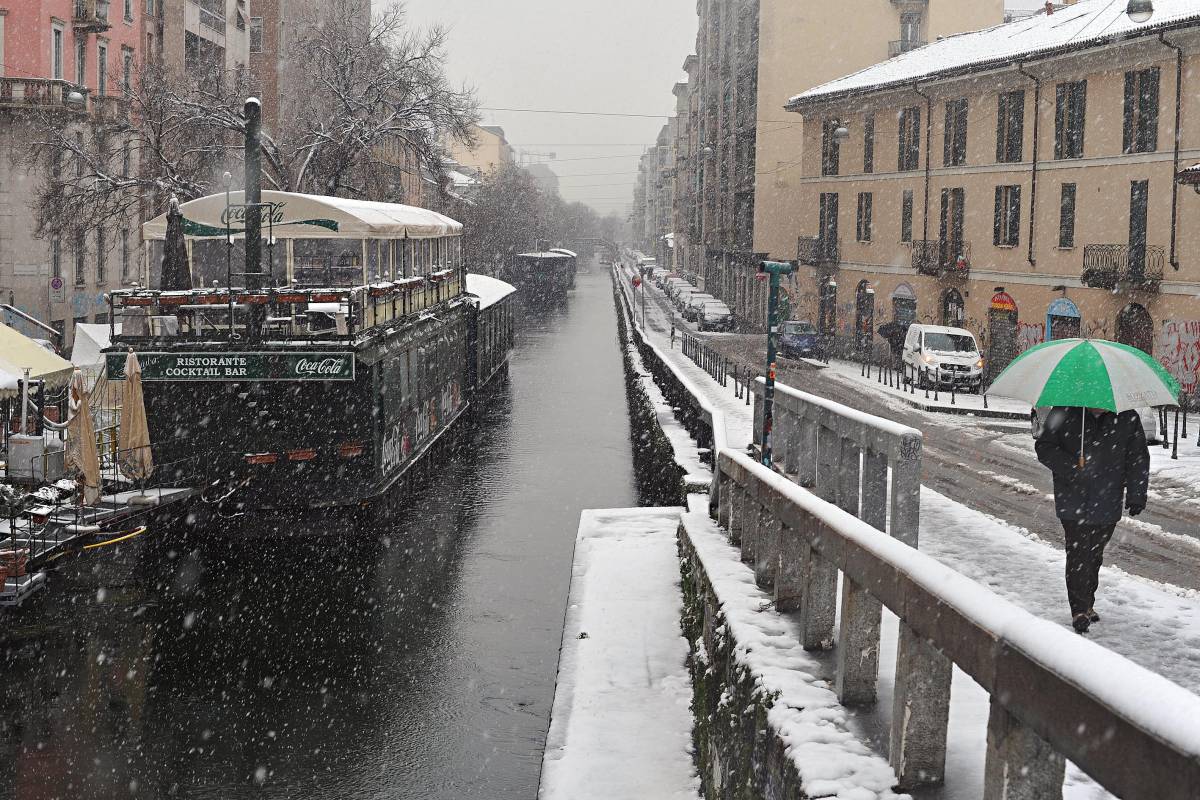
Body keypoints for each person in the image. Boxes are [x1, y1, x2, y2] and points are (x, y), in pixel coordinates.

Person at [1035, 406, 1150, 634]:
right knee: (1078, 551)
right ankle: (1079, 609)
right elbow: (1044, 447)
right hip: (1072, 499)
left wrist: (1137, 494)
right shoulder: (1065, 411)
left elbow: (1137, 456)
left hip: (1108, 499)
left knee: (1094, 554)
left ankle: (1088, 602)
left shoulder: (1127, 417)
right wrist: (1071, 467)